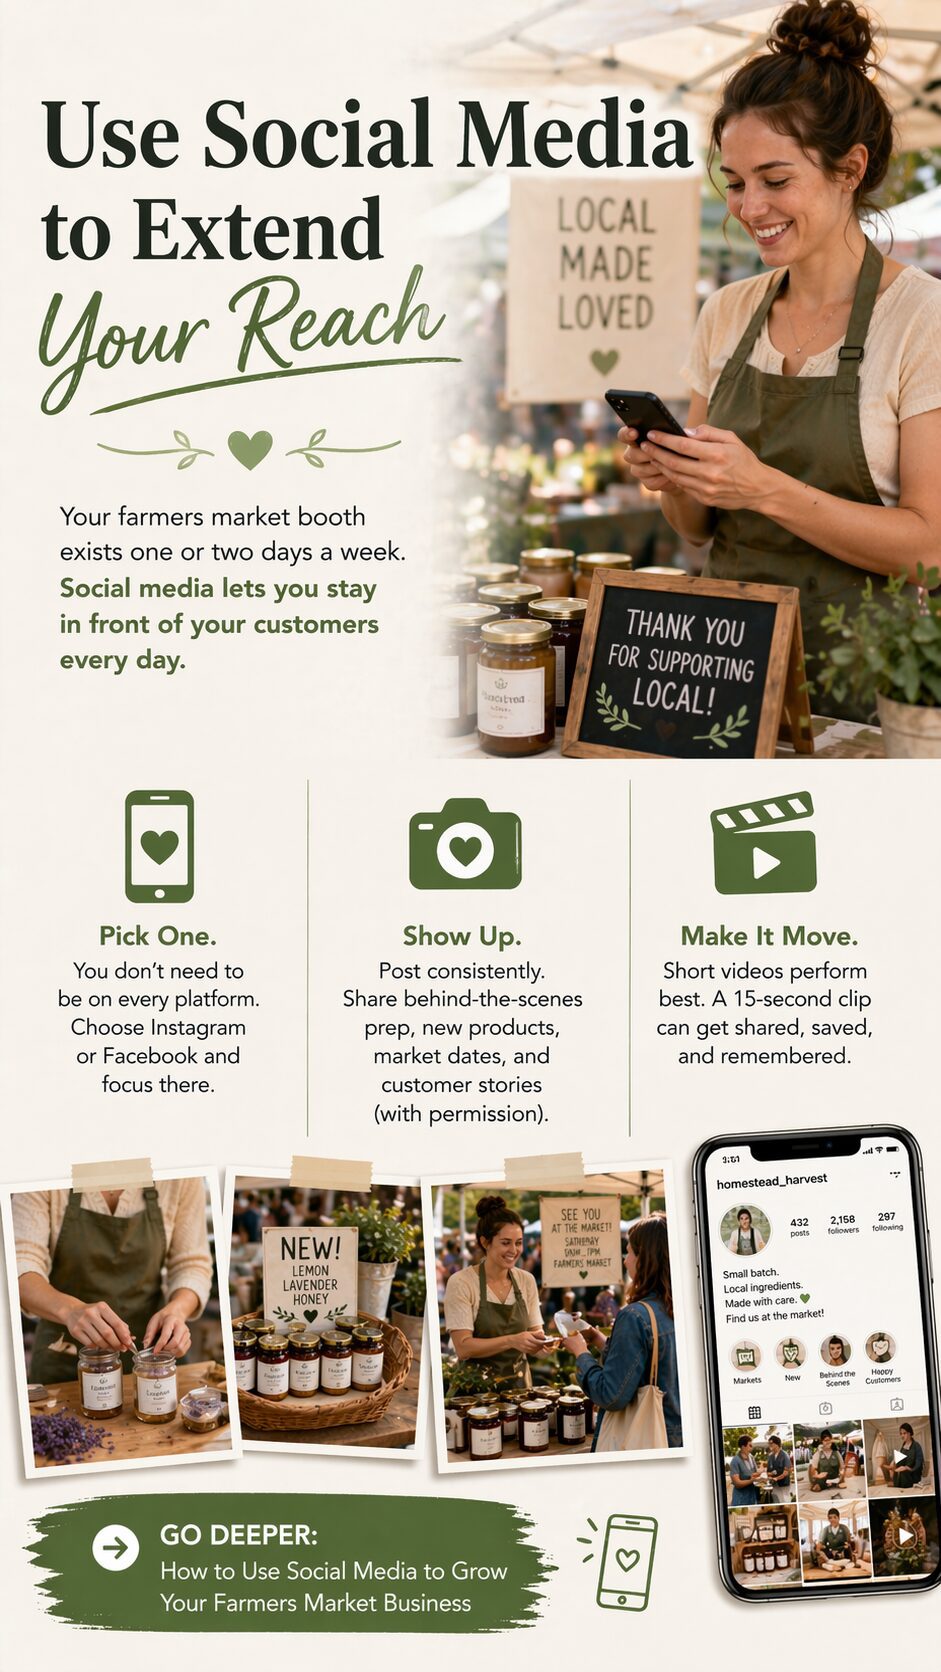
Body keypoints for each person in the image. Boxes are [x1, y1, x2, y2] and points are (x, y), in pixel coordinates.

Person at [617, 0, 941, 721]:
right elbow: (696, 527)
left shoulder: (923, 319)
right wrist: (672, 473)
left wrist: (762, 487)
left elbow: (929, 552)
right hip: (723, 675)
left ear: (849, 169)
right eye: (734, 182)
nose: (749, 207)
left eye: (775, 179)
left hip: (862, 692)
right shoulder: (726, 312)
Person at [13, 1179, 213, 1381]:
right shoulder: (44, 1176)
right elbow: (17, 1265)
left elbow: (192, 1264)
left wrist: (177, 1310)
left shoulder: (180, 1177)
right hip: (65, 1356)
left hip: (156, 1359)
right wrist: (70, 1310)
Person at [557, 1214, 682, 1450]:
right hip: (675, 1434)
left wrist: (581, 1353)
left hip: (644, 1440)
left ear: (646, 1259)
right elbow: (643, 1363)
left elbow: (610, 1395)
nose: (626, 1261)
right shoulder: (679, 1306)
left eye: (630, 1253)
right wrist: (597, 1339)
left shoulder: (635, 1315)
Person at [443, 1196, 553, 1389]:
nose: (514, 1250)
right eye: (505, 1242)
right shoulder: (462, 1282)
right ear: (485, 1242)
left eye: (518, 1243)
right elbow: (463, 1348)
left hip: (520, 1390)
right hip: (476, 1391)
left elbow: (536, 1341)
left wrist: (550, 1343)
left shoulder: (526, 1281)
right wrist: (512, 1340)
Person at [881, 1422, 925, 1489]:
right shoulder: (903, 1446)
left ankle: (898, 1483)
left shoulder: (916, 1445)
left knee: (903, 1472)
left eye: (904, 1433)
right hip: (904, 1471)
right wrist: (894, 1464)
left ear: (909, 1433)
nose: (902, 1436)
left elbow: (919, 1462)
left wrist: (908, 1468)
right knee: (897, 1468)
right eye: (901, 1434)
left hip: (913, 1473)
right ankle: (895, 1477)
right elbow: (902, 1460)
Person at [729, 1435, 764, 1505]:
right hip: (740, 1499)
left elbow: (754, 1473)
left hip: (752, 1496)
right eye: (750, 1445)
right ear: (743, 1447)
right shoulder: (735, 1461)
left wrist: (763, 1474)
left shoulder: (751, 1457)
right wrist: (751, 1480)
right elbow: (737, 1483)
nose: (752, 1447)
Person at [765, 1433, 793, 1501]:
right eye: (769, 1443)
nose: (769, 1445)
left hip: (784, 1485)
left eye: (771, 1443)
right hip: (774, 1485)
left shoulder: (785, 1455)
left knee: (784, 1502)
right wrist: (770, 1475)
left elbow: (786, 1472)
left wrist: (776, 1478)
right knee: (776, 1501)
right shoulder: (770, 1456)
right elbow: (768, 1472)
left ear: (777, 1444)